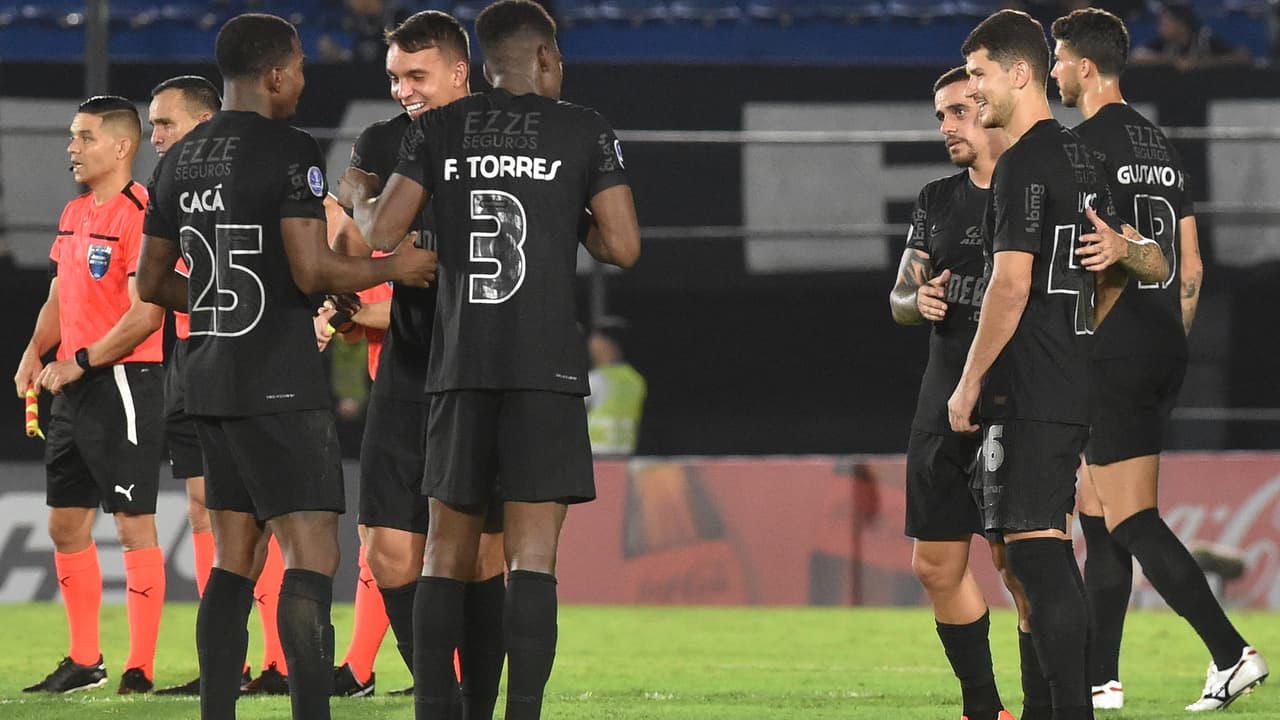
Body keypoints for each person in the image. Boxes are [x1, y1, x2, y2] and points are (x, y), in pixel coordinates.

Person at [136, 13, 436, 720]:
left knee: (233, 560)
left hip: (206, 376)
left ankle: (217, 711)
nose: (302, 78)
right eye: (298, 67)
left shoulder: (179, 158)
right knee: (311, 554)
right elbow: (311, 267)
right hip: (276, 376)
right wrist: (397, 266)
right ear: (273, 74)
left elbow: (152, 282)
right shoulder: (288, 146)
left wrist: (223, 298)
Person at [347, 3, 639, 717]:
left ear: (480, 66)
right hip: (545, 371)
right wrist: (559, 204)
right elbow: (623, 247)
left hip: (458, 370)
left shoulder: (439, 130)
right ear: (545, 60)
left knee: (445, 555)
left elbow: (382, 232)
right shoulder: (583, 128)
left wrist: (373, 203)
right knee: (530, 560)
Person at [949, 9, 1168, 720]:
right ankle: (1049, 709)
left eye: (980, 75)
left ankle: (1072, 708)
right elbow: (1149, 259)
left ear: (1020, 72)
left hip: (1031, 386)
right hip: (1067, 378)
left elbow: (1011, 286)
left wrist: (968, 382)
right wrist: (1122, 258)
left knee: (1037, 554)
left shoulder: (1023, 164)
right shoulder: (1083, 158)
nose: (975, 89)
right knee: (1027, 553)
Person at [1050, 8, 1268, 711]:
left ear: (1084, 67)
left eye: (1057, 59)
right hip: (1160, 342)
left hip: (1112, 348)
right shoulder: (1159, 142)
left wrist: (1090, 351)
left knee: (1130, 517)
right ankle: (1100, 678)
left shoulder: (1082, 147)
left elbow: (1099, 265)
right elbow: (1192, 263)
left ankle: (1232, 654)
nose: (1054, 71)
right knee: (1097, 509)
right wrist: (1168, 342)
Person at [327, 11, 510, 709]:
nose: (402, 89)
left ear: (461, 72)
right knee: (386, 548)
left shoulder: (502, 134)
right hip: (406, 367)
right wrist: (371, 228)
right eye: (394, 77)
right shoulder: (384, 139)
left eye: (416, 75)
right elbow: (349, 189)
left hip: (483, 369)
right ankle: (445, 689)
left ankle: (474, 704)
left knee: (483, 554)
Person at [13, 96, 167, 696]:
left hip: (123, 381)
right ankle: (84, 659)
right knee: (63, 524)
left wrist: (79, 361)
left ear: (122, 146)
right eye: (72, 138)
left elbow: (145, 316)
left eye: (84, 138)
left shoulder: (140, 213)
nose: (71, 148)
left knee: (133, 524)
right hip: (72, 385)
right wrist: (34, 350)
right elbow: (60, 292)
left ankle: (141, 668)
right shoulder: (76, 210)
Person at [146, 74, 294, 698]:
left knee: (272, 517)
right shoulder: (173, 185)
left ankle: (283, 663)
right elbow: (151, 283)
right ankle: (229, 665)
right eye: (152, 126)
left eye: (166, 125)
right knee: (212, 512)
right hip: (194, 361)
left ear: (205, 123)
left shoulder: (257, 177)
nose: (157, 138)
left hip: (254, 367)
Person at [888, 66, 1027, 720]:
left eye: (957, 112)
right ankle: (984, 710)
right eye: (939, 115)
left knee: (1022, 567)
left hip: (1015, 399)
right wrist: (919, 300)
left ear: (992, 107)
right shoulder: (935, 198)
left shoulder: (1032, 190)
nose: (946, 126)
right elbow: (898, 298)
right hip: (940, 398)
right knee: (935, 566)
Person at [1131, 2, 1250, 70]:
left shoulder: (1204, 40)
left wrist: (1202, 63)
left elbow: (1242, 57)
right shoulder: (1164, 42)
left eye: (1166, 23)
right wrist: (1173, 61)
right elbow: (1137, 57)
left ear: (1181, 24)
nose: (1160, 27)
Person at [586, 324, 646, 456]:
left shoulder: (597, 379)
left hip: (596, 452)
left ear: (609, 346)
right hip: (625, 451)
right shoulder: (636, 379)